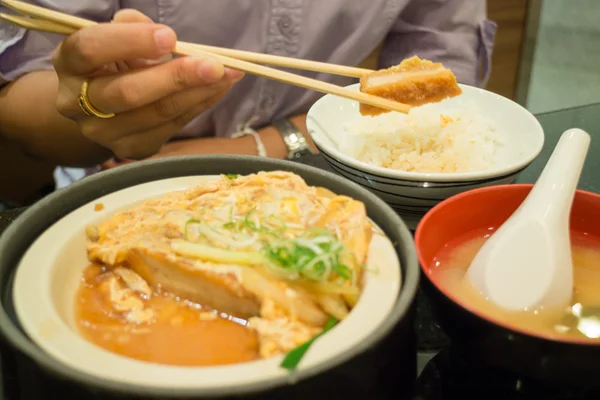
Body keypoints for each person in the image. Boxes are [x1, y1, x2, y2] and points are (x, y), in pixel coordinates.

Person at [0, 0, 496, 189]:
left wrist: (267, 146)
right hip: (116, 184)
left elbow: (442, 86)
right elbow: (24, 92)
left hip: (327, 178)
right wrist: (97, 109)